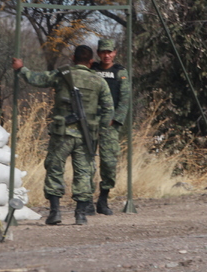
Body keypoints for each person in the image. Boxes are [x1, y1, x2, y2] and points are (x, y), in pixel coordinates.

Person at [12, 45, 114, 225]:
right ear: (91, 61)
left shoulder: (61, 75)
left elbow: (37, 79)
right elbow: (108, 110)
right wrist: (99, 128)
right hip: (86, 136)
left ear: (73, 58)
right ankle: (80, 214)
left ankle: (55, 212)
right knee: (84, 172)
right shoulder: (99, 81)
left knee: (54, 169)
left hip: (62, 133)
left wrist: (21, 69)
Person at [89, 38, 130, 215]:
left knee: (109, 162)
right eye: (103, 52)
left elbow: (125, 98)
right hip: (90, 122)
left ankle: (103, 199)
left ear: (114, 53)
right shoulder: (92, 70)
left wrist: (116, 119)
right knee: (86, 162)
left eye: (109, 52)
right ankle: (86, 201)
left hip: (109, 124)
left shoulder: (120, 72)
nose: (107, 55)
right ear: (98, 53)